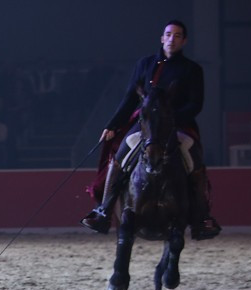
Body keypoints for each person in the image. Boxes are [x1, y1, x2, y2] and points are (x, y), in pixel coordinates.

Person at [80, 20, 221, 240]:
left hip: (179, 124)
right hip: (145, 125)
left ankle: (202, 218)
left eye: (177, 35)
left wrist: (171, 120)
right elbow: (129, 98)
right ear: (162, 38)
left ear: (184, 41)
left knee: (192, 159)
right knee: (120, 156)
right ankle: (104, 210)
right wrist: (112, 125)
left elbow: (196, 104)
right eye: (168, 34)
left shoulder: (192, 69)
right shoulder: (144, 64)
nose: (171, 39)